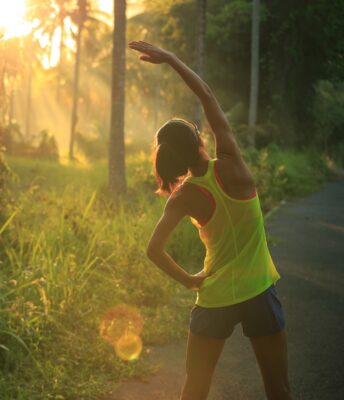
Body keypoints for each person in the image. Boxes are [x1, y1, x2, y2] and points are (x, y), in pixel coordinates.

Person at [128, 40, 292, 400]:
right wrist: (171, 58)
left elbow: (153, 250)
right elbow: (206, 95)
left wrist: (190, 281)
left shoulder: (182, 197)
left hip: (214, 296)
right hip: (259, 292)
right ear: (200, 139)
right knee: (278, 388)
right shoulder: (232, 162)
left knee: (195, 388)